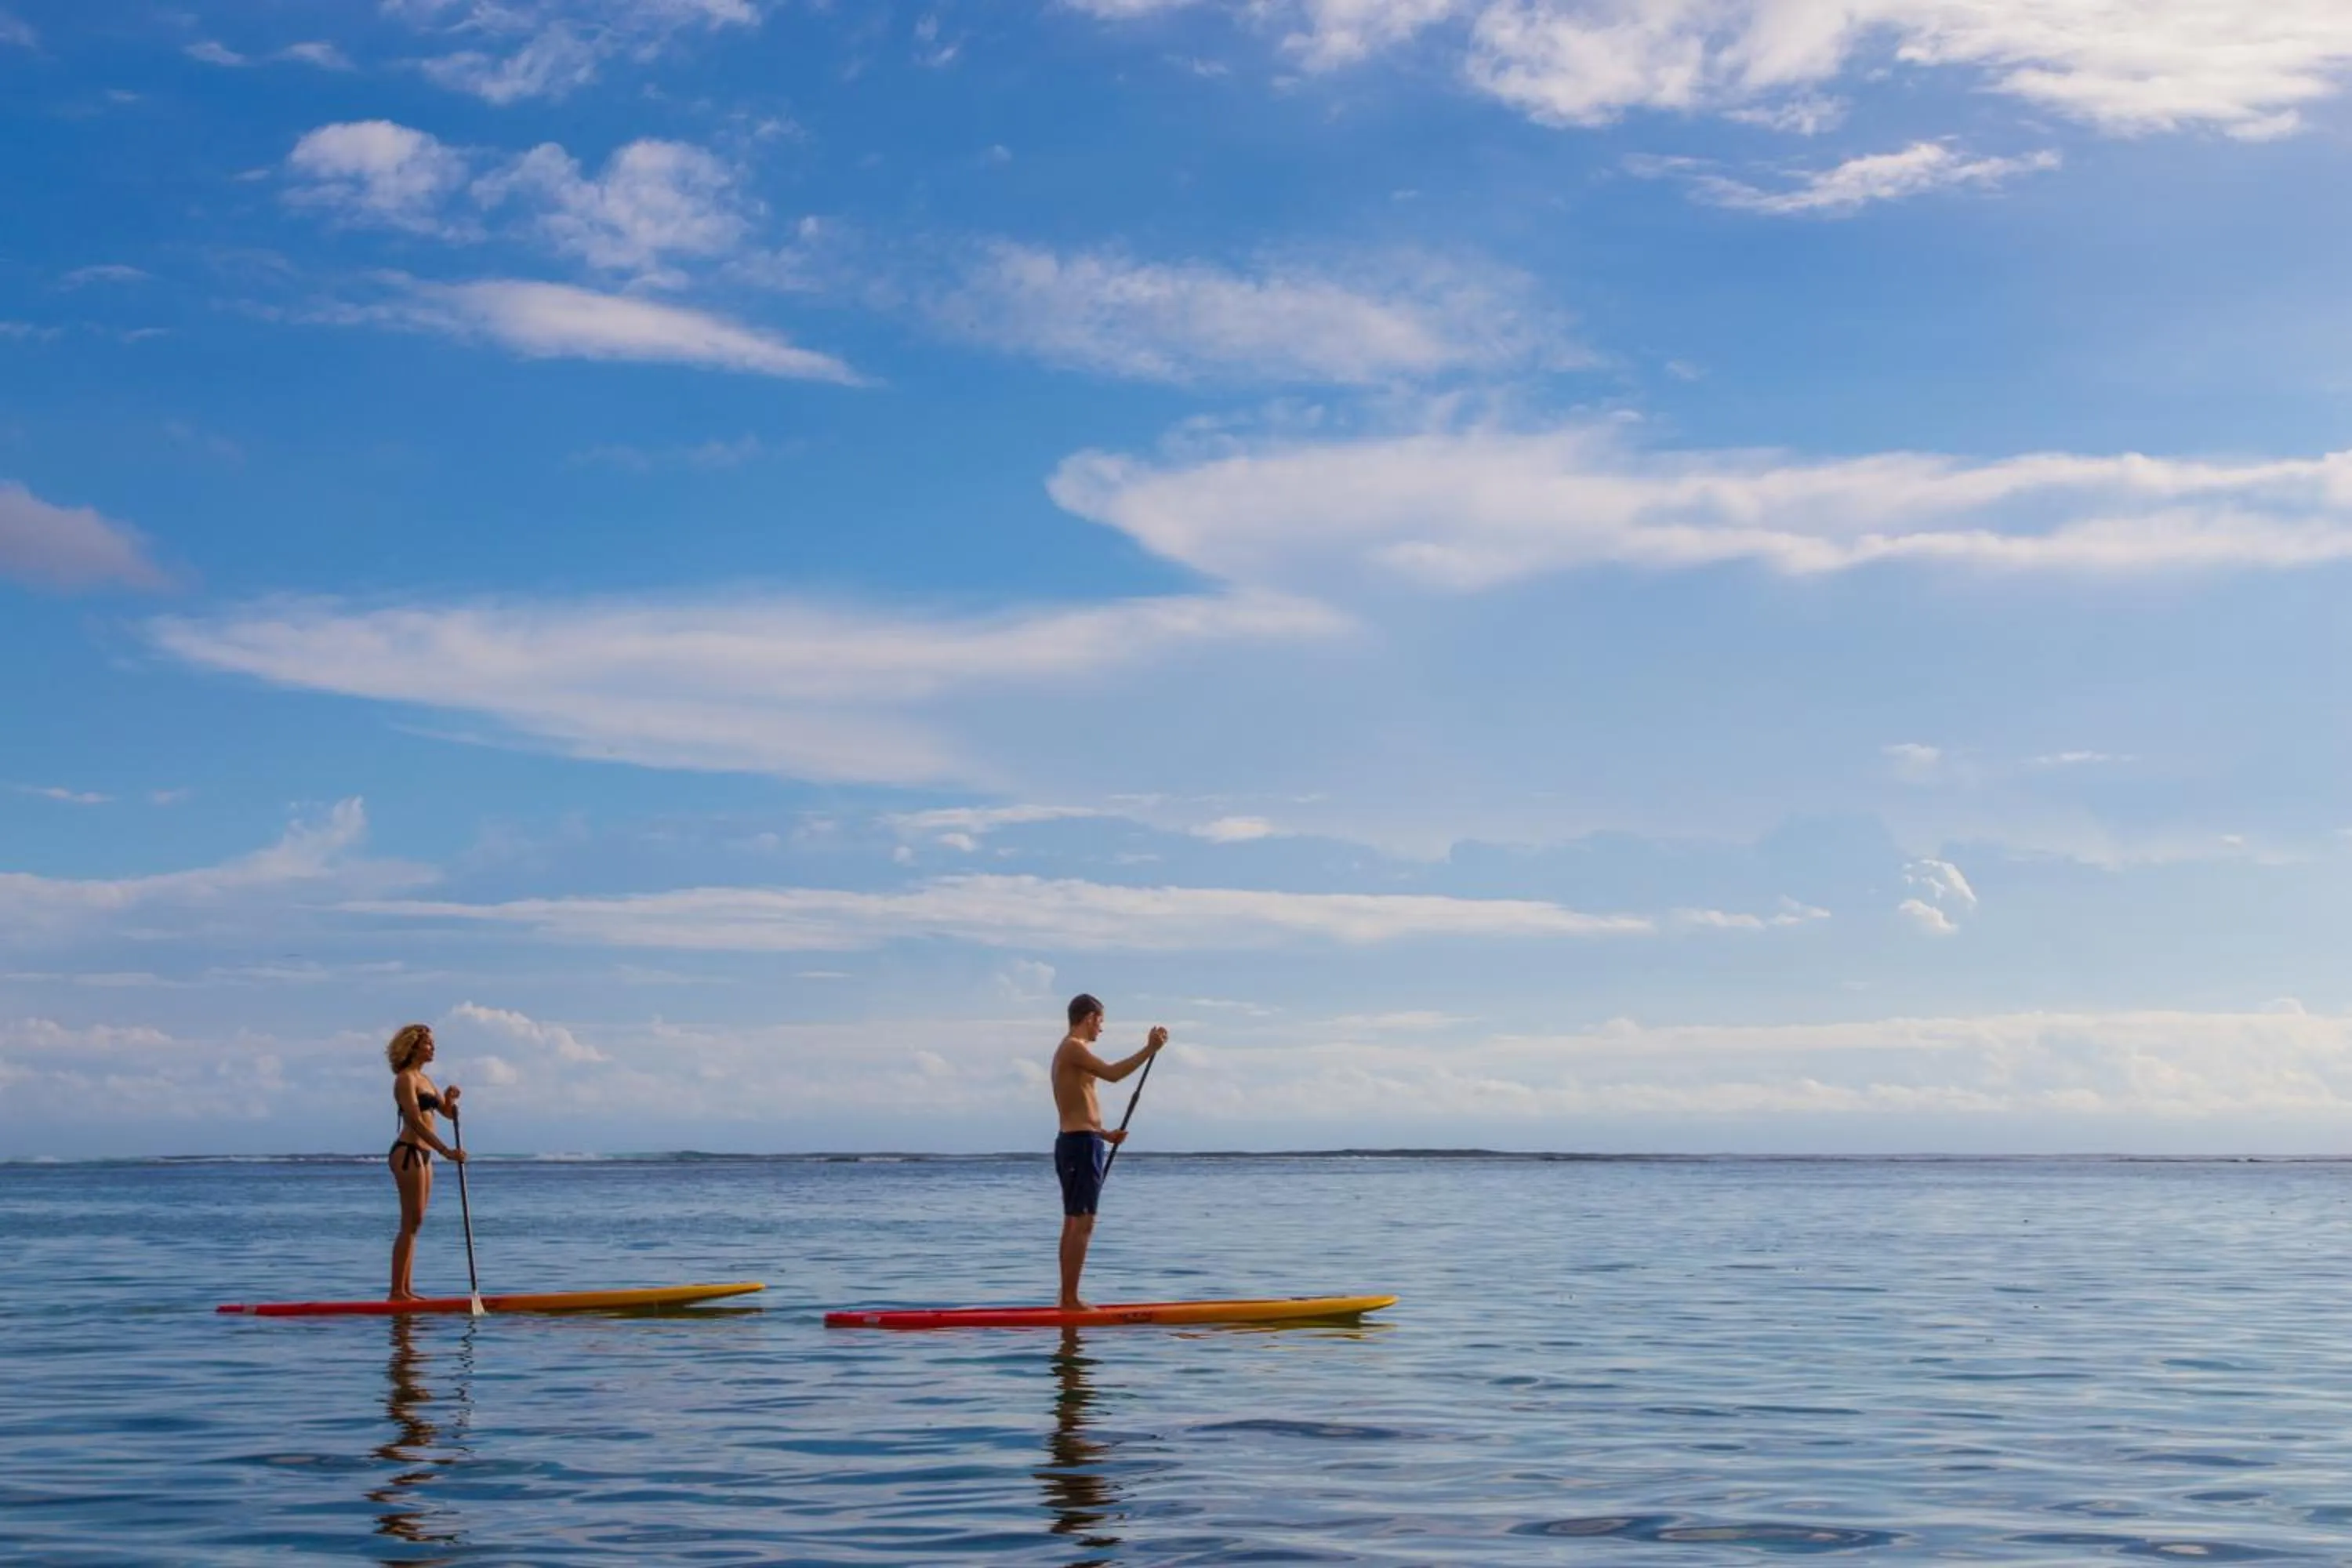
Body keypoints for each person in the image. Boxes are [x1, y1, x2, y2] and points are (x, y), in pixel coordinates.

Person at [1051, 995, 1166, 1310]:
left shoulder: (1071, 1051)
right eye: (1100, 1023)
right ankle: (1071, 1300)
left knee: (1074, 1221)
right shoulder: (1073, 1046)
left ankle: (1065, 1298)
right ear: (1089, 1017)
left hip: (1081, 1140)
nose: (1101, 1030)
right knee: (1082, 1222)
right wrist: (1149, 1050)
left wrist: (1104, 1134)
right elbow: (1114, 1075)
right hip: (1079, 1145)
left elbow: (1077, 1104)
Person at [385, 1023, 463, 1302]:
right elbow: (416, 1122)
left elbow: (446, 1114)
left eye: (433, 1043)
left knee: (416, 1224)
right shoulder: (405, 1079)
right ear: (414, 1046)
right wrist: (445, 1151)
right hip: (408, 1152)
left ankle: (406, 1290)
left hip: (425, 1154)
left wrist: (451, 1100)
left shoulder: (426, 1080)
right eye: (428, 1043)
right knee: (409, 1223)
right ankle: (397, 1292)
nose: (433, 1048)